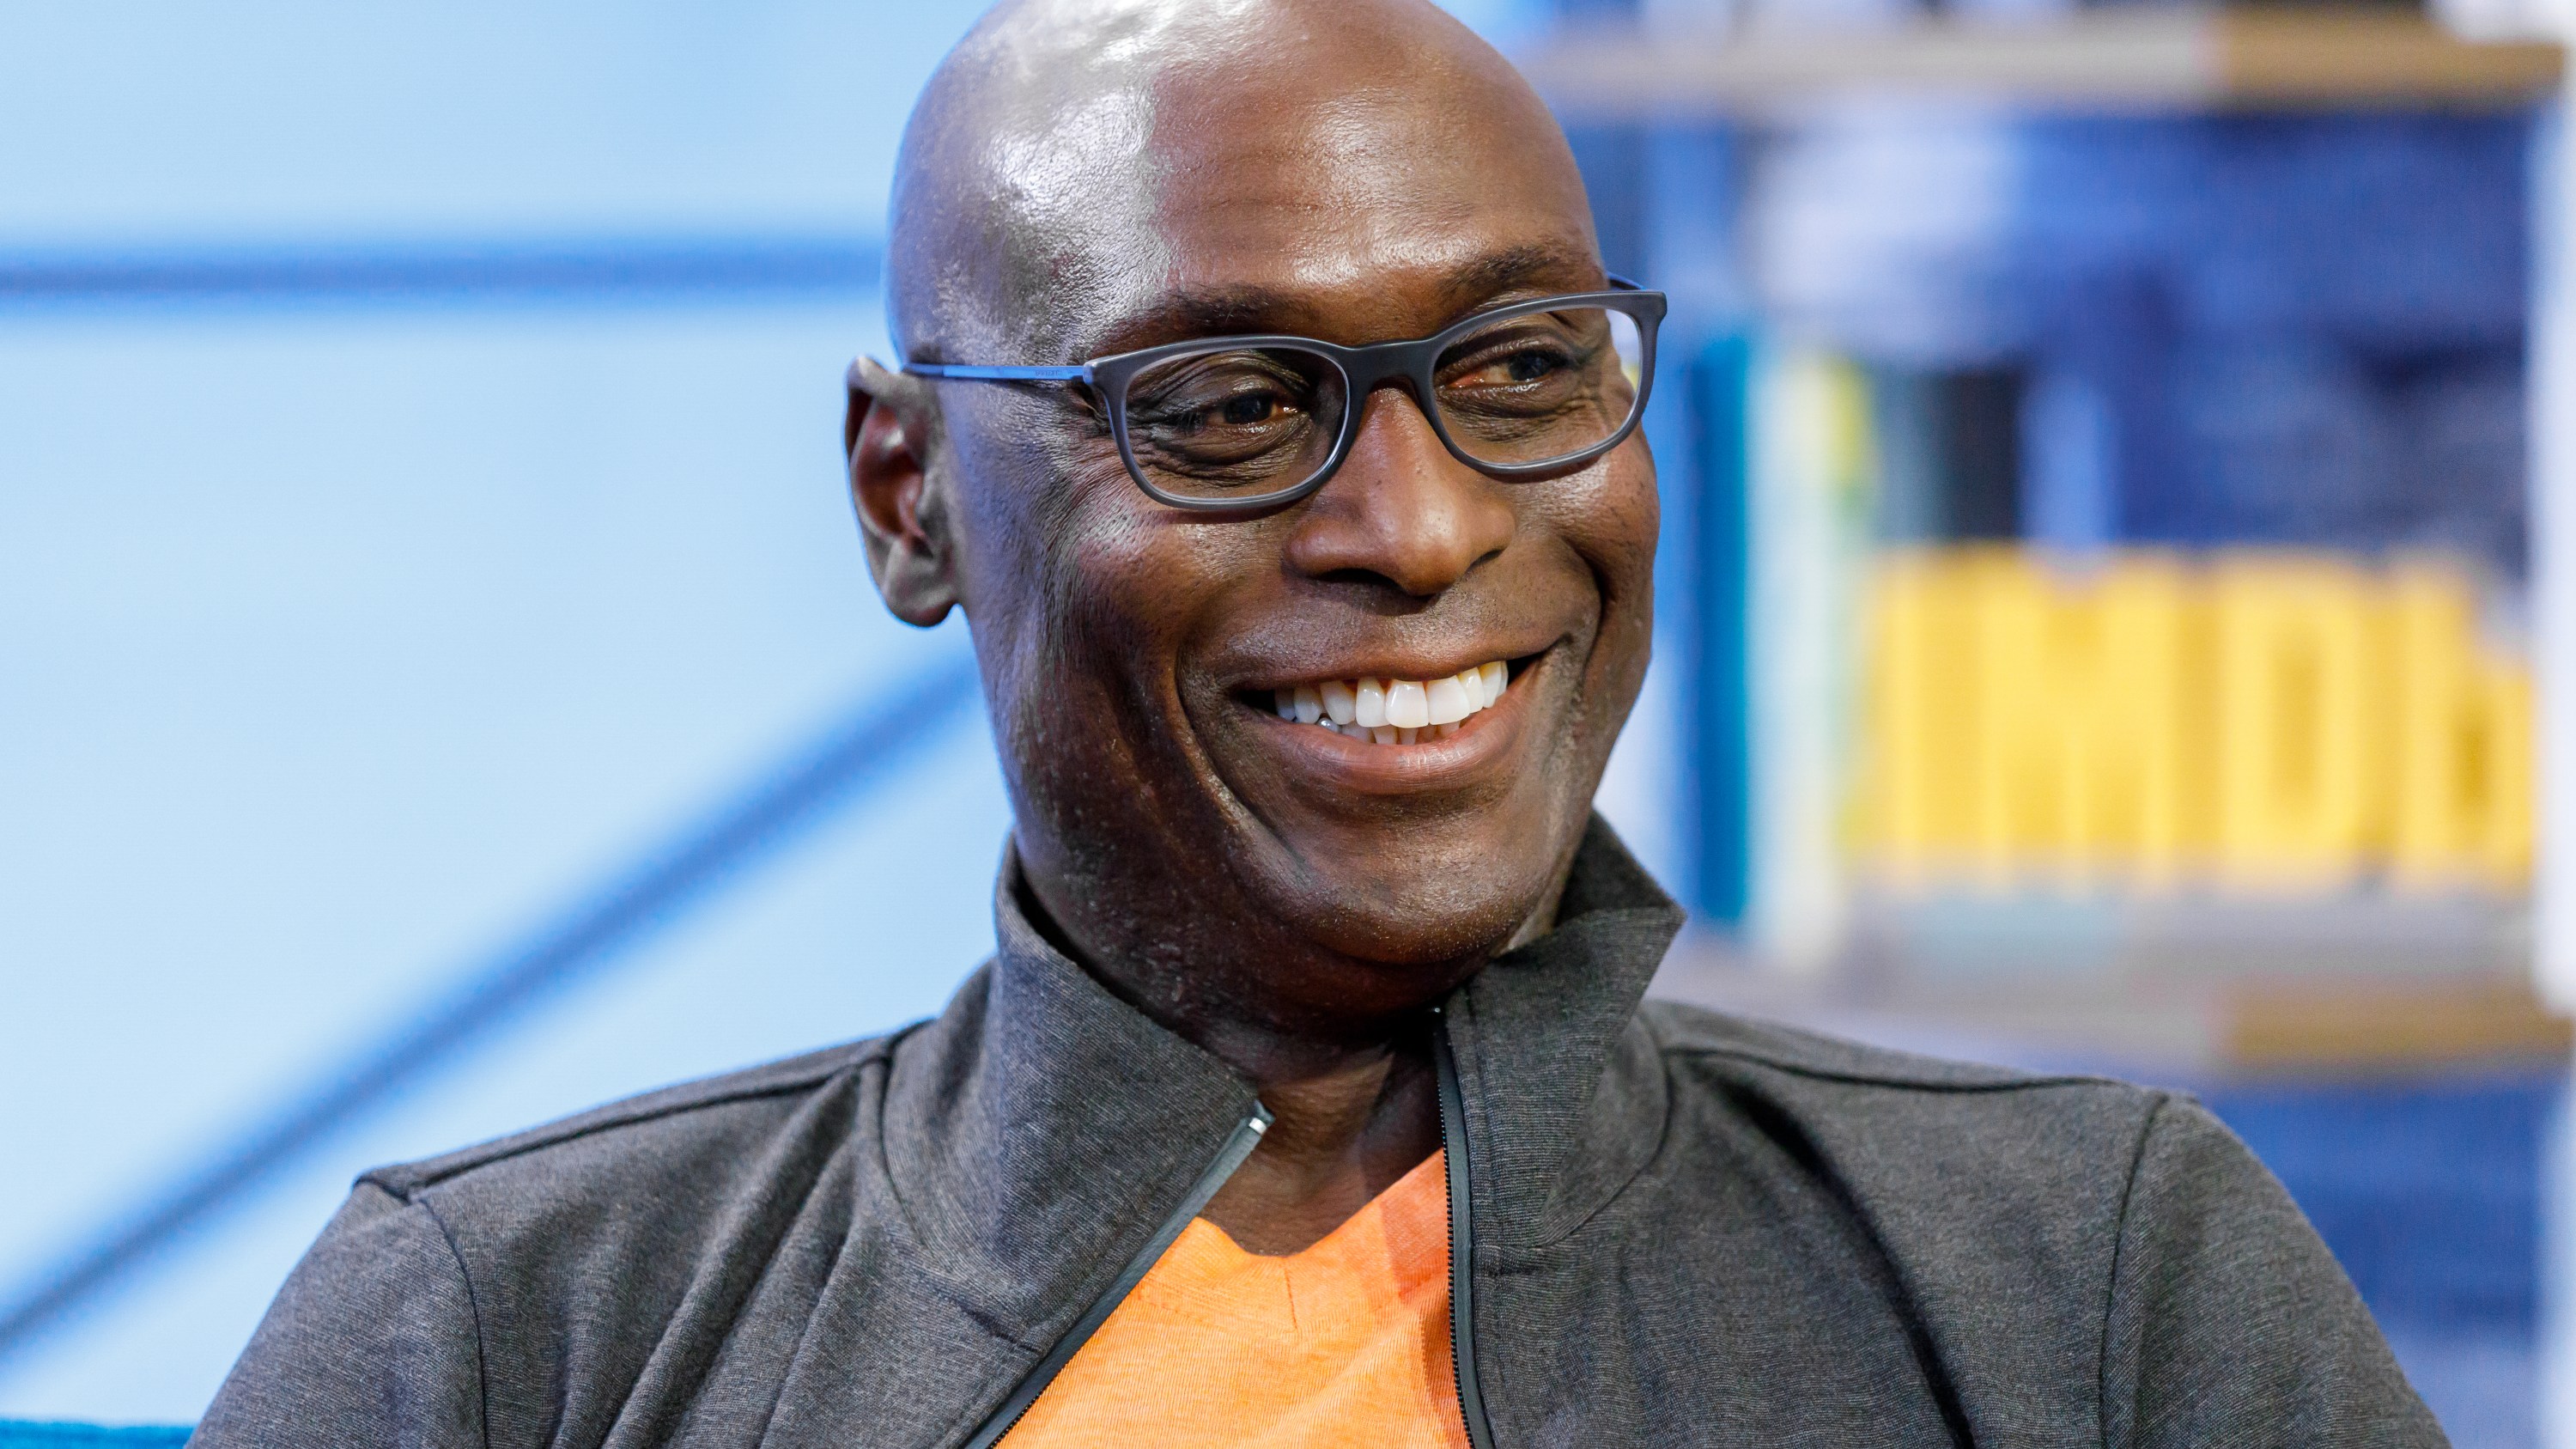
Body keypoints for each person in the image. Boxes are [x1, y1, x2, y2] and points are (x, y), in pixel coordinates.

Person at [194, 0, 2445, 1444]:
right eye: (1231, 403)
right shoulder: (513, 1341)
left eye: (1527, 368)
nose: (1423, 522)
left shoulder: (2098, 1284)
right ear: (913, 501)